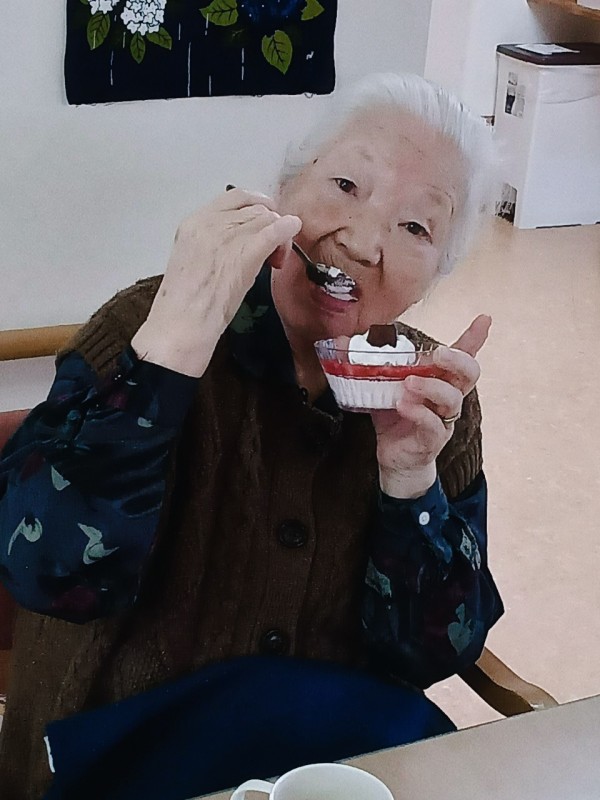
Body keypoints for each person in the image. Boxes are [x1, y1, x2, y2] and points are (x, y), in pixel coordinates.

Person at [0, 72, 503, 798]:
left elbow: (433, 655)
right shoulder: (147, 326)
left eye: (416, 228)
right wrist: (169, 354)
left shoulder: (431, 397)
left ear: (436, 275)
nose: (363, 241)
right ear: (283, 191)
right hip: (118, 765)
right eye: (345, 185)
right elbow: (49, 574)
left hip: (328, 772)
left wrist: (409, 482)